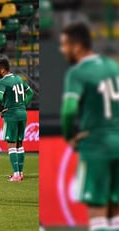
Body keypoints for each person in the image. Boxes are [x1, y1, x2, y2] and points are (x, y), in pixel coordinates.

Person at [60, 22, 119, 231]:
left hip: (96, 145)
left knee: (98, 215)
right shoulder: (113, 66)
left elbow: (68, 110)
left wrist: (70, 136)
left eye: (65, 44)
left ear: (77, 46)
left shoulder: (78, 72)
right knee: (115, 214)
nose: (62, 49)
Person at [0, 58, 33, 182]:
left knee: (11, 144)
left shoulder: (3, 82)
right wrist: (23, 105)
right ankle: (20, 173)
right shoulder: (19, 78)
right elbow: (30, 93)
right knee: (19, 144)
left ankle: (16, 175)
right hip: (22, 114)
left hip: (11, 114)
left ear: (3, 69)